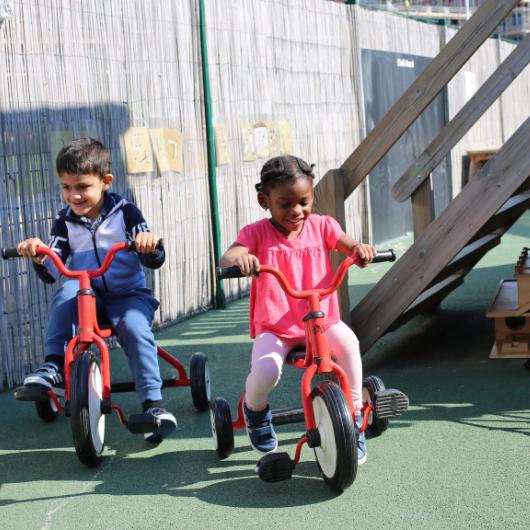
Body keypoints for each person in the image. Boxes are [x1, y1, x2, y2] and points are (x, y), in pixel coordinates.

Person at [16, 137, 176, 443]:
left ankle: (153, 406)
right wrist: (40, 256)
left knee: (133, 326)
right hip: (89, 296)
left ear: (105, 182)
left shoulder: (124, 212)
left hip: (128, 294)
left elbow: (152, 256)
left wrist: (148, 244)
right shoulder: (64, 222)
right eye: (66, 187)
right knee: (67, 291)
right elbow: (53, 269)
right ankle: (53, 365)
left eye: (82, 186)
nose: (74, 195)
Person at [220, 155, 376, 464]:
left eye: (303, 201)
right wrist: (241, 259)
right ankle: (254, 408)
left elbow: (346, 244)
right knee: (266, 370)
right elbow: (228, 257)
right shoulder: (257, 233)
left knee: (349, 345)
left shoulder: (321, 226)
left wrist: (359, 249)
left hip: (321, 320)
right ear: (264, 200)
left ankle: (354, 412)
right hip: (277, 327)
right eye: (285, 204)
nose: (296, 211)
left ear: (312, 196)